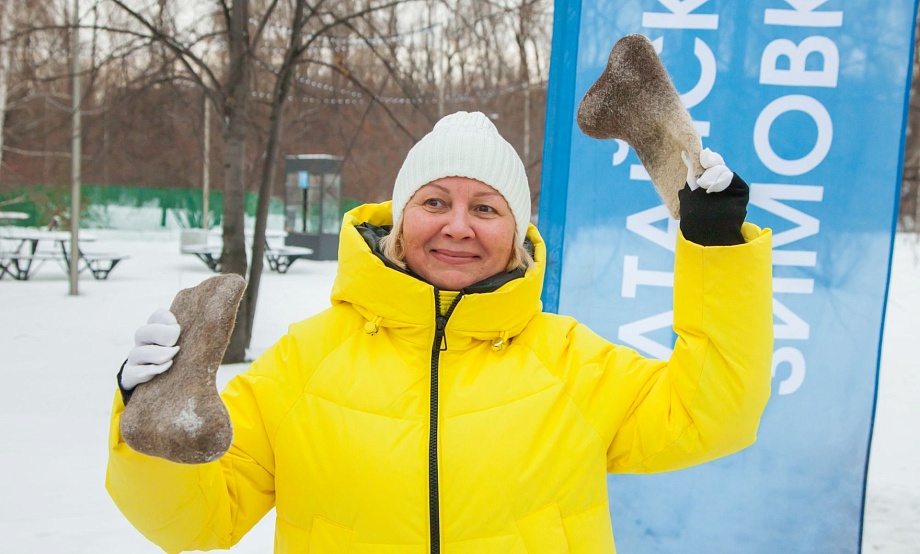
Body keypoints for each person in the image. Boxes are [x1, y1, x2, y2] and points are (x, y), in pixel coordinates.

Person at [106, 111, 772, 553]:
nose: (457, 226)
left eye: (485, 207)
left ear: (516, 235)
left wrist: (716, 245)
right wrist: (152, 425)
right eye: (433, 202)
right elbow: (197, 521)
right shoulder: (302, 364)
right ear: (400, 222)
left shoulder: (572, 363)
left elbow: (713, 413)